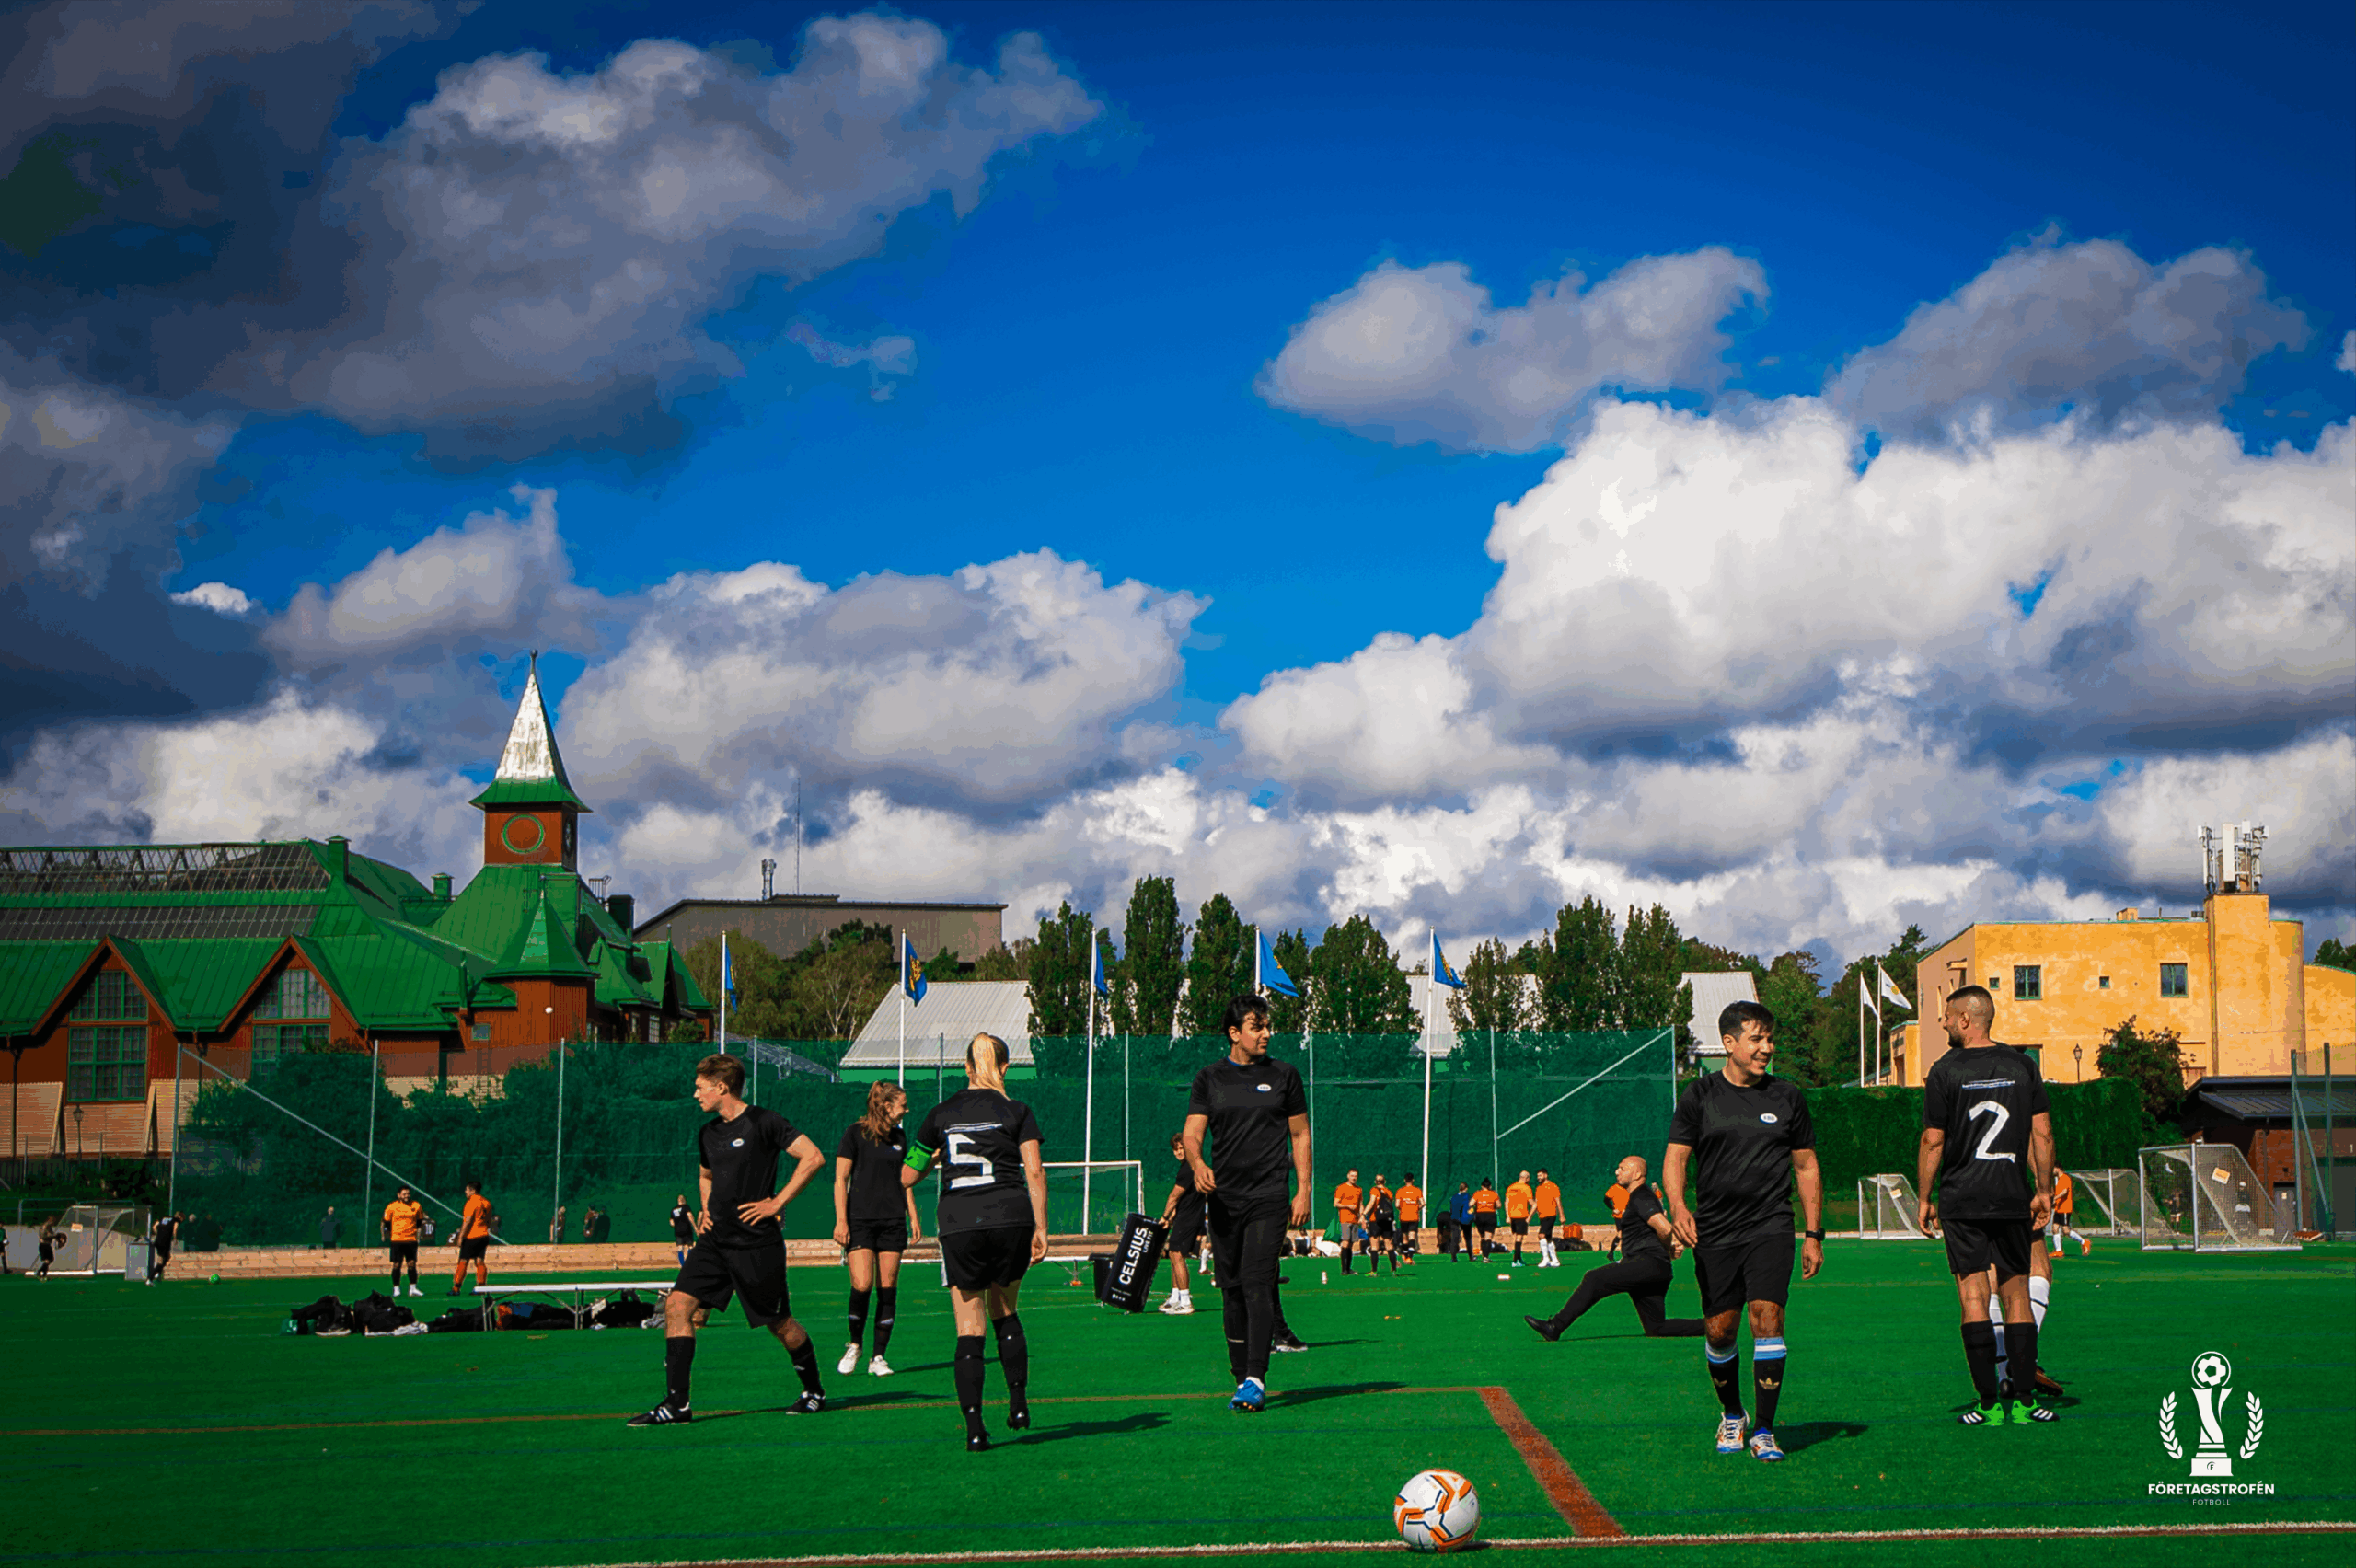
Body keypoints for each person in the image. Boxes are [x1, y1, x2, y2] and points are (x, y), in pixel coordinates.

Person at [627, 1053, 829, 1427]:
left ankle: (814, 1391)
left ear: (721, 1087)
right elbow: (705, 1176)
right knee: (677, 1306)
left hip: (756, 1244)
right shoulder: (708, 1133)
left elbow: (813, 1158)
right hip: (714, 1243)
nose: (695, 1094)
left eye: (700, 1087)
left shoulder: (764, 1121)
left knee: (780, 1324)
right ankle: (677, 1404)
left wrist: (777, 1203)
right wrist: (706, 1209)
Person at [1663, 999, 1824, 1464]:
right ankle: (1733, 1414)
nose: (1766, 1048)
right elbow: (1676, 1157)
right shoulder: (1699, 1095)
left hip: (1771, 1226)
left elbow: (1806, 1166)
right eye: (1756, 1039)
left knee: (1767, 1317)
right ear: (1729, 1043)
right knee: (1720, 1330)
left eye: (1770, 1039)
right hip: (1714, 1231)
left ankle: (1766, 1430)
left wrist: (1814, 1234)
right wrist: (1678, 1206)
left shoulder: (1788, 1096)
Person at [902, 1032, 1048, 1451]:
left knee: (969, 1327)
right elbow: (1034, 1171)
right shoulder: (1017, 1110)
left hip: (959, 1222)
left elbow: (907, 1175)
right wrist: (1041, 1227)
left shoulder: (939, 1114)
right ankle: (1018, 1405)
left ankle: (975, 1429)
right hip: (1010, 1216)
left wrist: (934, 1157)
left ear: (965, 1068)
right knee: (1006, 1309)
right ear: (1004, 1068)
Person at [1917, 984, 2054, 1426]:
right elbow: (2042, 1133)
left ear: (1964, 1020)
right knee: (2016, 1294)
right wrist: (2044, 1189)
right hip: (2012, 1196)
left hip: (1962, 1200)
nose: (1943, 1023)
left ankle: (1989, 1405)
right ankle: (2027, 1403)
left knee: (1973, 1296)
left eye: (1946, 1016)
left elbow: (1932, 1140)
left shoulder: (1944, 1070)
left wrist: (1925, 1197)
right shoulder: (2023, 1066)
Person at [1183, 993, 1311, 1414]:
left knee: (1258, 1281)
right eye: (1257, 1027)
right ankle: (1241, 1377)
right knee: (1231, 1289)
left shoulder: (1285, 1075)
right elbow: (1192, 1133)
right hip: (1223, 1200)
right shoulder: (1209, 1078)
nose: (1266, 1033)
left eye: (1267, 1025)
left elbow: (1300, 1134)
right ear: (1234, 1033)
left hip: (1268, 1197)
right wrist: (1198, 1164)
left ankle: (1256, 1377)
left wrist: (1304, 1189)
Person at [1525, 1156, 1705, 1342]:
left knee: (1594, 1279)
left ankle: (1555, 1326)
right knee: (1656, 1327)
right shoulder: (1637, 1197)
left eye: (1622, 1168)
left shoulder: (1641, 1196)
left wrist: (1667, 1250)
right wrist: (1666, 1252)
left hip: (1647, 1264)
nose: (1616, 1172)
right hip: (1654, 1267)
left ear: (1637, 1174)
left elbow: (1665, 1228)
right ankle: (1712, 1326)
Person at [834, 1081, 925, 1378]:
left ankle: (878, 1357)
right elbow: (840, 1179)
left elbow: (905, 1180)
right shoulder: (854, 1133)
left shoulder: (900, 1137)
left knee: (888, 1289)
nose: (907, 1110)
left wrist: (913, 1217)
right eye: (903, 1105)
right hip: (860, 1221)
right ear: (887, 1106)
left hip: (892, 1223)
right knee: (862, 1285)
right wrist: (841, 1221)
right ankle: (855, 1345)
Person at [1158, 1132, 1207, 1314]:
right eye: (1176, 1149)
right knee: (1173, 1253)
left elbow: (1174, 1197)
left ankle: (1186, 1302)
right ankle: (1175, 1298)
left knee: (1177, 1254)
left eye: (1181, 1148)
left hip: (1189, 1219)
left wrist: (1164, 1217)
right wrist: (1171, 1218)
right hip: (1184, 1217)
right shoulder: (1187, 1168)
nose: (1178, 1152)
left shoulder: (1188, 1169)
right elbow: (1182, 1200)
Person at [450, 1179, 494, 1295]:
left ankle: (456, 1288)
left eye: (467, 1190)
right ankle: (482, 1287)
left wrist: (461, 1236)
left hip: (472, 1236)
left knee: (463, 1261)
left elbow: (467, 1221)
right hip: (483, 1235)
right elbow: (488, 1220)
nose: (465, 1192)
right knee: (479, 1261)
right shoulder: (486, 1202)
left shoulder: (471, 1202)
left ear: (473, 1190)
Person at [382, 1185, 426, 1297]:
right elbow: (386, 1222)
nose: (406, 1196)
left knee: (411, 1264)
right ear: (399, 1195)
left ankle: (413, 1288)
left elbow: (419, 1222)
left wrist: (416, 1234)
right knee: (397, 1265)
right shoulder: (392, 1206)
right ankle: (396, 1289)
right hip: (397, 1240)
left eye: (408, 1194)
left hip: (411, 1240)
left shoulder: (416, 1205)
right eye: (404, 1194)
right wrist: (393, 1233)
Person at [2050, 1169, 2088, 1256]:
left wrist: (2055, 1198)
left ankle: (2084, 1242)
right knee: (2055, 1228)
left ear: (2057, 1168)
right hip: (2058, 1208)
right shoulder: (2059, 1180)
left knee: (2066, 1231)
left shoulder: (2065, 1178)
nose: (2052, 1171)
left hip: (2065, 1208)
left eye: (2053, 1169)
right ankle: (2059, 1251)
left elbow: (2065, 1191)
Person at [1332, 1170, 1364, 1274]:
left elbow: (1360, 1204)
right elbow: (1336, 1203)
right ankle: (1344, 1269)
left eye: (1355, 1176)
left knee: (1351, 1245)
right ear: (1348, 1176)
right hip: (1345, 1219)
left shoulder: (1359, 1189)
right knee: (1345, 1242)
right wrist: (1348, 1206)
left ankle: (1349, 1268)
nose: (1354, 1178)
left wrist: (1362, 1216)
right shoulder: (1341, 1188)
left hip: (1355, 1220)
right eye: (1352, 1176)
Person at [1365, 1180, 1398, 1274]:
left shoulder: (1374, 1190)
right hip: (1387, 1221)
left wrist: (1363, 1214)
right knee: (1389, 1245)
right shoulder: (1389, 1192)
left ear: (1375, 1181)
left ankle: (1374, 1271)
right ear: (1385, 1181)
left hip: (1375, 1220)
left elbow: (1372, 1202)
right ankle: (1394, 1270)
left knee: (1374, 1246)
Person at [1532, 1169, 1564, 1267]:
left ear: (1545, 1175)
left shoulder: (1553, 1186)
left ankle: (1546, 1258)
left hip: (1550, 1214)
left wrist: (1561, 1215)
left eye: (1540, 1175)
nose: (1538, 1178)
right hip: (1542, 1215)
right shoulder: (1538, 1188)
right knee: (1548, 1238)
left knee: (1541, 1235)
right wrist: (1531, 1216)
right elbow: (1536, 1203)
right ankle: (1555, 1260)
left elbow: (1558, 1201)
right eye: (1537, 1176)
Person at [1504, 1170, 1535, 1266]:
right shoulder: (1526, 1188)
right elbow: (1533, 1204)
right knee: (1519, 1238)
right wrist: (1530, 1216)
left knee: (1517, 1238)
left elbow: (1507, 1202)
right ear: (1527, 1178)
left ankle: (1519, 1259)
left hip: (1512, 1216)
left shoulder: (1511, 1187)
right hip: (1522, 1215)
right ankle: (1515, 1260)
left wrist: (1508, 1216)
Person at [1396, 1174, 1424, 1266]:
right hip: (1414, 1217)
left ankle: (1404, 1256)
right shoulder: (1417, 1190)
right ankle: (1409, 1258)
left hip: (1403, 1217)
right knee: (1412, 1237)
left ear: (1405, 1180)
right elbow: (1423, 1203)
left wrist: (1403, 1209)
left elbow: (1397, 1205)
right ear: (1413, 1180)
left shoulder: (1400, 1191)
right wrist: (1417, 1208)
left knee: (1405, 1238)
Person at [1471, 1178, 1500, 1257]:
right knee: (1488, 1237)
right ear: (1490, 1186)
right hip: (1490, 1215)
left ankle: (1484, 1255)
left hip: (1479, 1215)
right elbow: (1499, 1205)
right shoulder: (1494, 1193)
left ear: (1482, 1186)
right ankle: (1486, 1257)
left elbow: (1471, 1204)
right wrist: (1492, 1205)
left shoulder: (1477, 1193)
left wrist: (1478, 1205)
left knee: (1482, 1237)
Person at [1447, 1182, 1475, 1260]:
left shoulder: (1454, 1197)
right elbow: (1470, 1207)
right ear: (1466, 1188)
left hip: (1455, 1219)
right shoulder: (1467, 1196)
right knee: (1468, 1238)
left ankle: (1453, 1257)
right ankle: (1471, 1256)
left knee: (1455, 1238)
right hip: (1465, 1219)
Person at [148, 1211, 177, 1285]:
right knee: (161, 1260)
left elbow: (154, 1227)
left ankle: (158, 1275)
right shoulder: (174, 1220)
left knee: (166, 1257)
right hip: (163, 1242)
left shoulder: (162, 1219)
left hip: (158, 1241)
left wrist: (159, 1234)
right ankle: (150, 1278)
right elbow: (174, 1230)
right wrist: (174, 1239)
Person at [668, 1193, 695, 1267]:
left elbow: (671, 1223)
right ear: (684, 1200)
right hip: (687, 1229)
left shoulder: (673, 1210)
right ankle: (689, 1263)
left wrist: (677, 1225)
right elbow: (690, 1216)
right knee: (690, 1246)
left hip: (678, 1231)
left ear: (678, 1201)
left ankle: (682, 1264)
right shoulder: (686, 1207)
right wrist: (695, 1226)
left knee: (680, 1247)